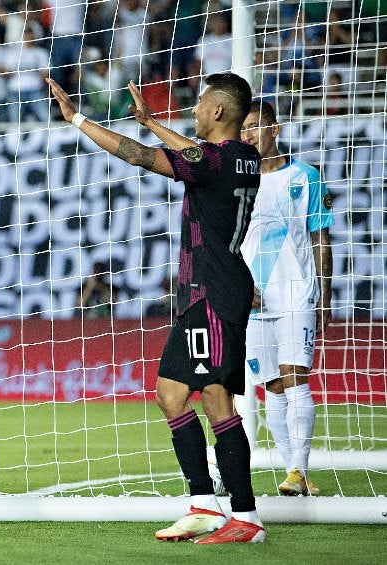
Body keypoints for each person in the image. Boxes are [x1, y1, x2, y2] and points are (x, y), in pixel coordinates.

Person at [47, 72, 265, 543]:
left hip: (212, 291)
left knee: (215, 399)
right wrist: (151, 120)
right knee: (170, 392)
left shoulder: (211, 161)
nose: (198, 106)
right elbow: (192, 151)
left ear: (220, 112)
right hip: (203, 291)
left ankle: (246, 518)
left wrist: (79, 119)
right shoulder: (244, 156)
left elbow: (142, 157)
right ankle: (204, 505)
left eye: (204, 100)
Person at [239, 100, 334, 497]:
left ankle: (297, 469)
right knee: (272, 386)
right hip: (253, 298)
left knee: (295, 378)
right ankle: (295, 473)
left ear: (274, 129)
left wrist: (324, 298)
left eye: (255, 127)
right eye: (242, 129)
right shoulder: (238, 182)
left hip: (296, 291)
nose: (247, 135)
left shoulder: (306, 177)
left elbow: (320, 240)